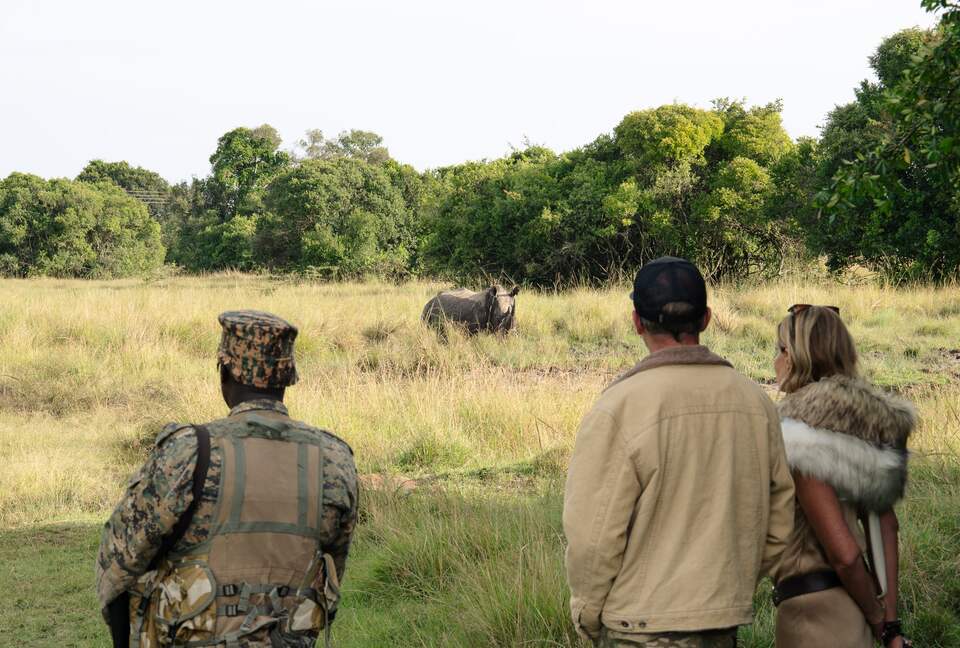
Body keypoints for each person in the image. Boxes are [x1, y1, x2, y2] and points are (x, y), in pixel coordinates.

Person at [564, 256, 795, 648]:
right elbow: (779, 522)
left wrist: (587, 616)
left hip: (639, 628)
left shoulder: (618, 407)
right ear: (706, 319)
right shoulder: (755, 402)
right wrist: (727, 588)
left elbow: (592, 538)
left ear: (636, 321)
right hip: (722, 624)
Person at [96, 310, 358, 648]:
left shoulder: (189, 451)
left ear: (225, 372)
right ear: (287, 378)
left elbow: (118, 564)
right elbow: (332, 573)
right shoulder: (333, 459)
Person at [772, 304, 914, 648]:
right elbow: (886, 526)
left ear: (793, 356)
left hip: (815, 617)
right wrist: (891, 626)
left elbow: (845, 555)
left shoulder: (799, 432)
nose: (774, 361)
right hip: (854, 616)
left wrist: (877, 620)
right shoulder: (868, 427)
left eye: (778, 350)